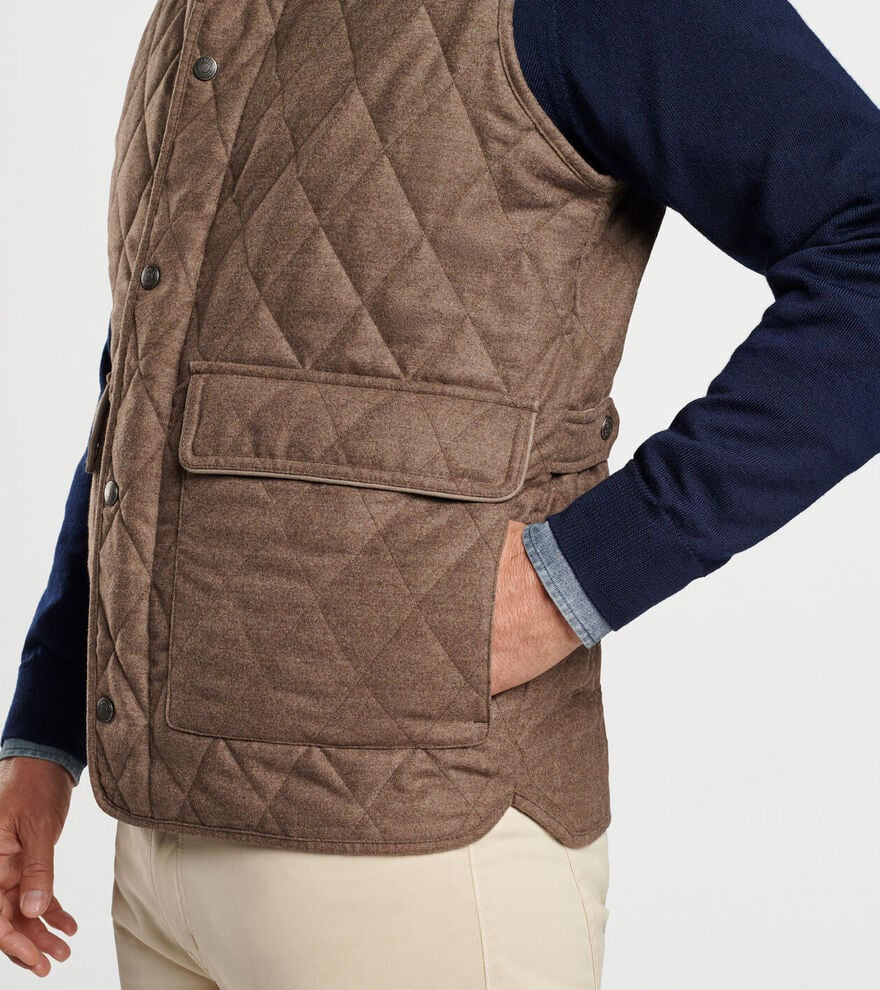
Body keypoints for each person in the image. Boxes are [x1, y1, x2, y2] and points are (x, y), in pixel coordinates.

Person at [2, 0, 879, 985]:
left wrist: (574, 579)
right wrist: (46, 721)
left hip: (424, 847)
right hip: (155, 855)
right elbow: (147, 379)